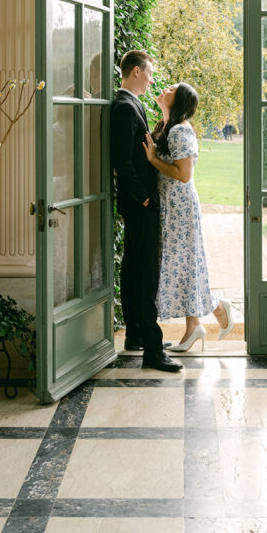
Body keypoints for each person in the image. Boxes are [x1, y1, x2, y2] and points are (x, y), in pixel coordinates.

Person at [143, 82, 234, 352]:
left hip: (180, 208)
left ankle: (216, 309)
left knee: (183, 263)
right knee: (183, 265)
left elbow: (183, 175)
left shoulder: (180, 131)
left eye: (172, 88)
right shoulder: (167, 126)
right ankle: (196, 323)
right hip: (172, 206)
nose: (165, 88)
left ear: (178, 100)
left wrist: (152, 159)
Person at [110, 51, 182, 373]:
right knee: (145, 274)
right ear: (136, 71)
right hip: (141, 205)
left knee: (133, 268)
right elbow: (123, 161)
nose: (152, 79)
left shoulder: (131, 104)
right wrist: (144, 199)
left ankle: (136, 335)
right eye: (149, 72)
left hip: (139, 204)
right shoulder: (125, 107)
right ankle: (152, 350)